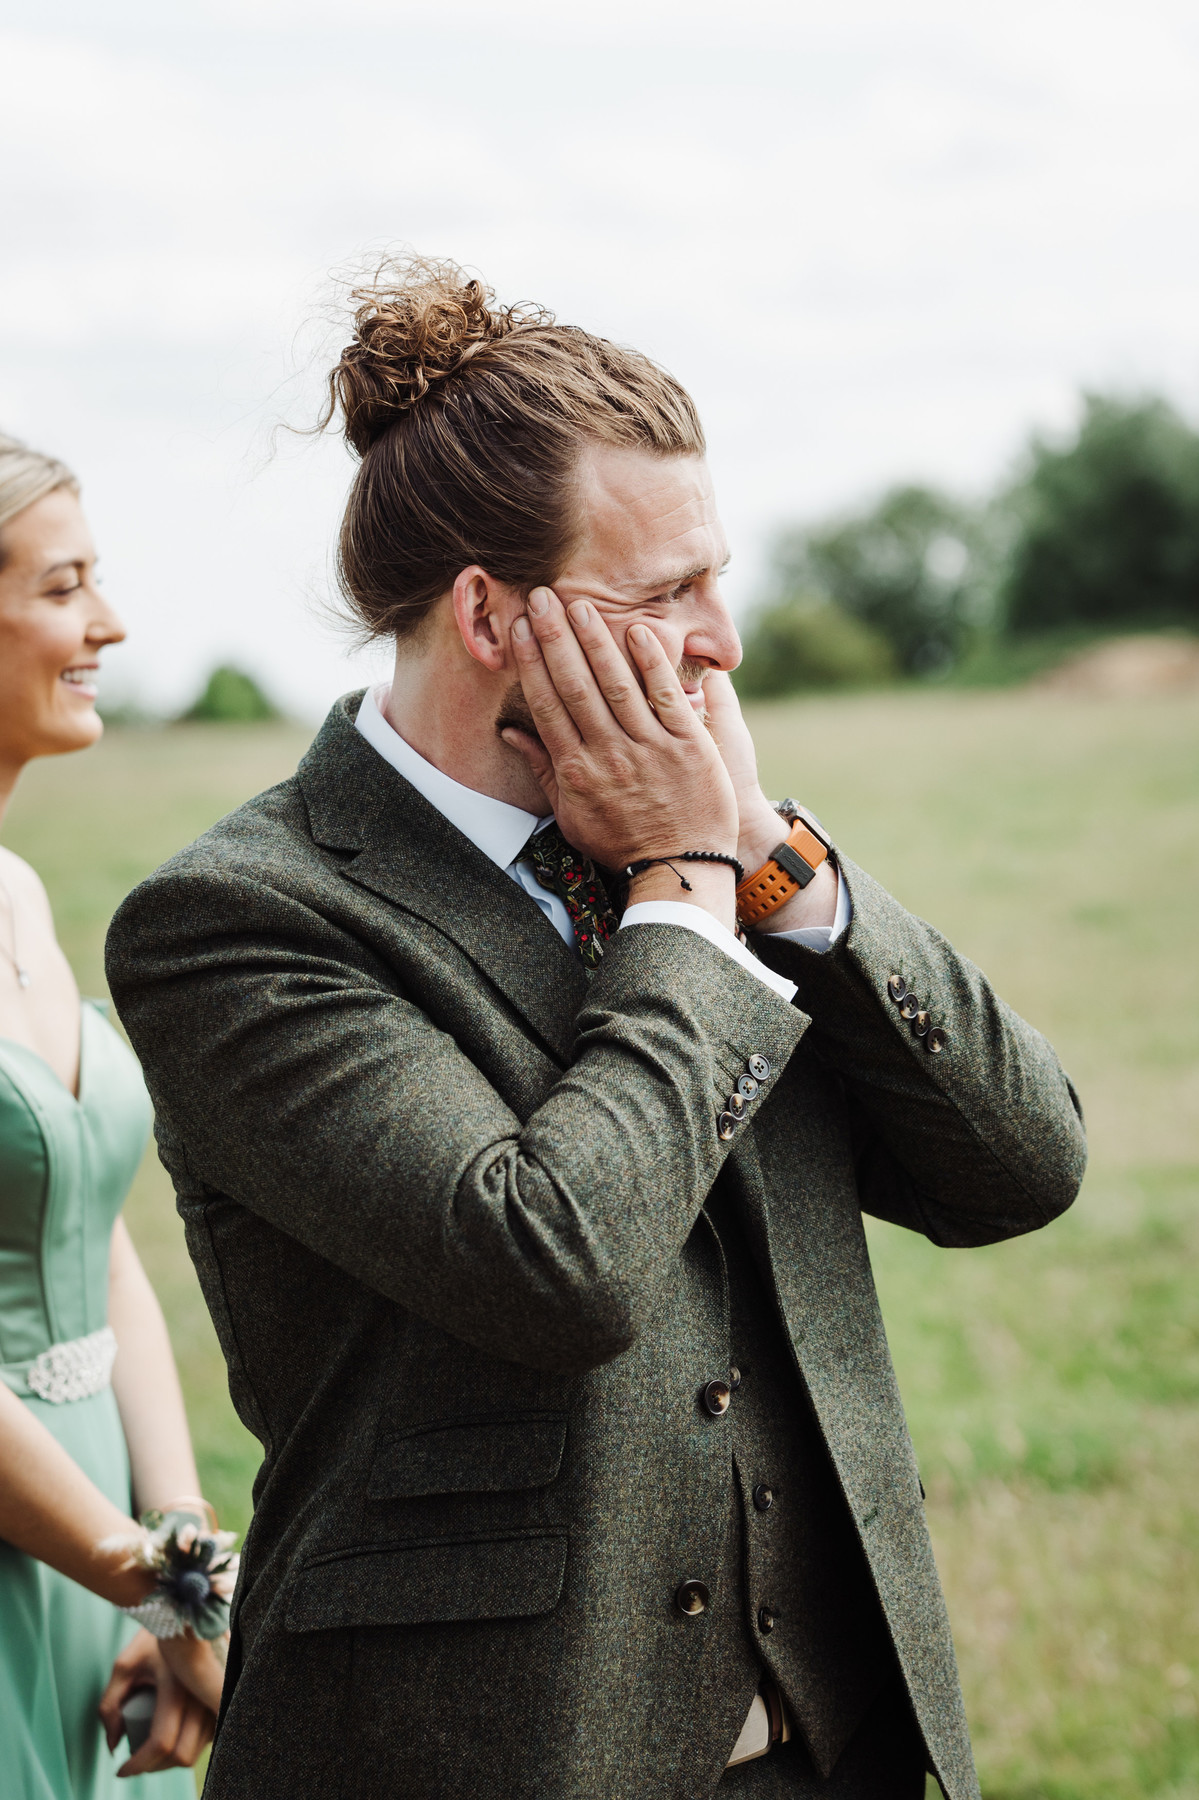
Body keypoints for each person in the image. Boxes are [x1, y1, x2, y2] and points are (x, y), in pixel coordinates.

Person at [105, 260, 1086, 1800]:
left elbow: (1023, 1169)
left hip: (844, 1755)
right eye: (666, 596)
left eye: (719, 578)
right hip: (482, 1755)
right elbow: (551, 1262)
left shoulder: (722, 857)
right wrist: (686, 894)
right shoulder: (239, 919)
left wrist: (766, 855)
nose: (725, 644)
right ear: (492, 613)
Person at [0, 435, 227, 1796]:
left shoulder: (18, 892)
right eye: (63, 586)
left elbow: (97, 1236)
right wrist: (142, 1579)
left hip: (96, 1528)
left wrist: (180, 1539)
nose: (111, 624)